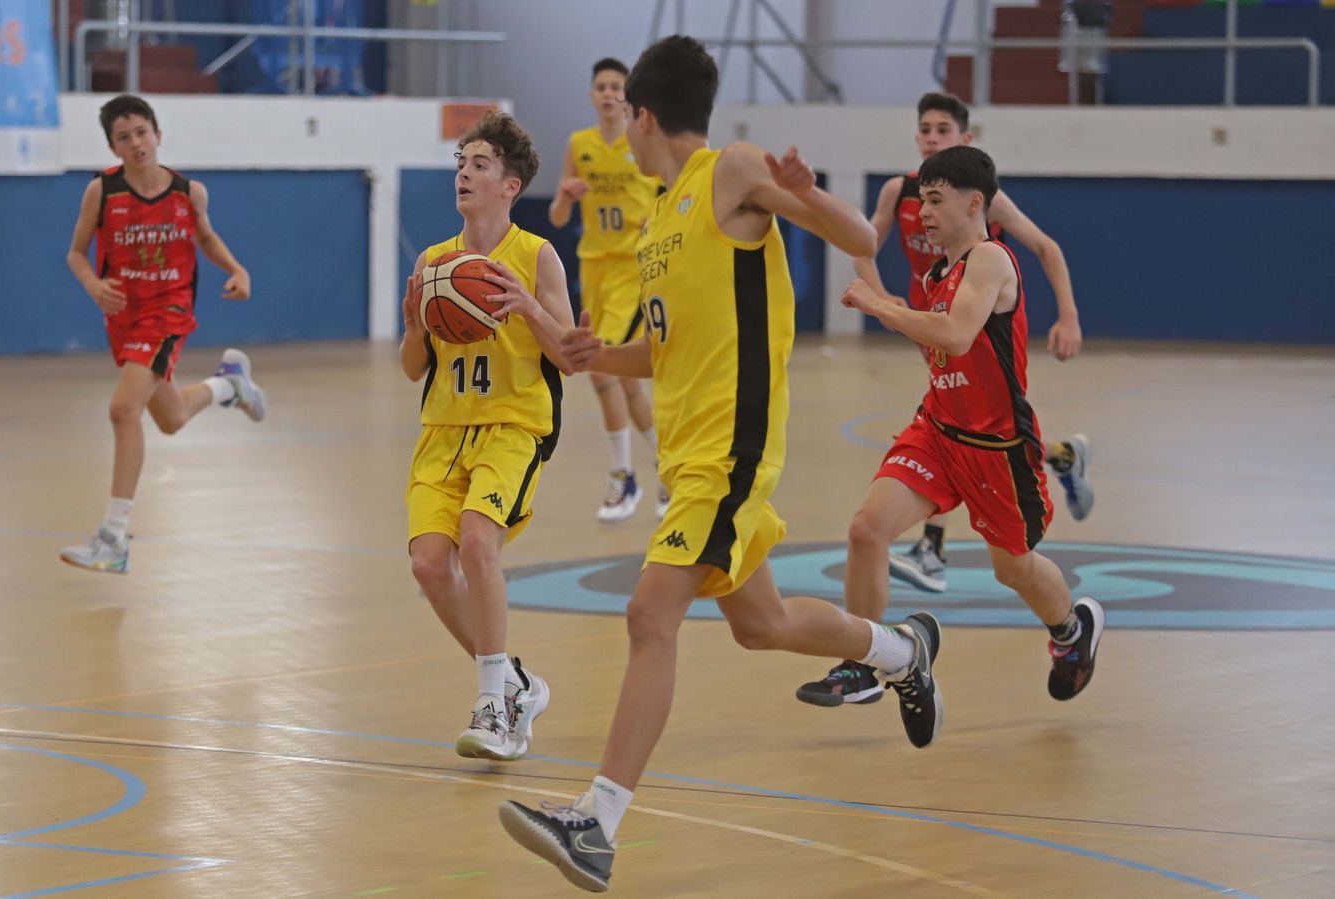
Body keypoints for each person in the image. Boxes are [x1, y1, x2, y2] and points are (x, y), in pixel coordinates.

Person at [498, 38, 942, 893]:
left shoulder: (729, 170)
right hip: (688, 455)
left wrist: (809, 196)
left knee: (648, 615)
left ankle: (598, 819)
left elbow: (857, 235)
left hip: (732, 454)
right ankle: (900, 649)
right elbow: (666, 351)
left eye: (625, 114)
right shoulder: (663, 219)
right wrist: (592, 354)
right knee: (761, 624)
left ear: (643, 117)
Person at [812, 146, 1105, 715]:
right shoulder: (940, 272)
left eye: (936, 199)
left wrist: (879, 307)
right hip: (939, 431)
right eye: (921, 198)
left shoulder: (991, 258)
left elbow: (955, 335)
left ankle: (1072, 632)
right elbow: (941, 346)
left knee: (1012, 567)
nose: (923, 211)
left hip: (997, 446)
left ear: (975, 203)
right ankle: (869, 659)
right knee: (867, 531)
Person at [857, 91, 1092, 598]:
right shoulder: (901, 194)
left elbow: (1045, 247)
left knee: (977, 417)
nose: (932, 137)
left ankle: (935, 547)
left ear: (963, 138)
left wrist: (1068, 314)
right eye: (925, 129)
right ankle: (1060, 456)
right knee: (954, 416)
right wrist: (880, 294)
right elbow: (860, 247)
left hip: (962, 319)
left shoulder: (982, 214)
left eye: (944, 130)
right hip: (932, 317)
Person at [400, 111, 574, 761]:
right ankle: (517, 682)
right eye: (461, 163)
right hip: (444, 428)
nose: (465, 174)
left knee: (478, 542)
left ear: (511, 184)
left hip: (515, 424)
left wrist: (529, 305)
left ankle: (493, 706)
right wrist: (415, 324)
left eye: (480, 164)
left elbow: (571, 353)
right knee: (426, 564)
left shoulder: (537, 255)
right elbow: (414, 367)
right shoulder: (434, 261)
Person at [60, 94, 265, 575]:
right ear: (113, 147)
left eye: (141, 132)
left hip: (167, 312)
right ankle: (230, 385)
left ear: (158, 134)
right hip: (123, 316)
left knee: (122, 409)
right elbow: (75, 253)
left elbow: (206, 237)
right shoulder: (101, 193)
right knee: (170, 417)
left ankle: (113, 537)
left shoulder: (188, 192)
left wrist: (237, 269)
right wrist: (93, 285)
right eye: (123, 137)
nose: (136, 144)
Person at [549, 58, 667, 522]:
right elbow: (558, 218)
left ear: (628, 95)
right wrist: (564, 198)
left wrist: (653, 222)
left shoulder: (644, 141)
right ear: (592, 94)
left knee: (599, 365)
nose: (609, 93)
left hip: (632, 269)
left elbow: (675, 198)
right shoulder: (580, 144)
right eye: (601, 86)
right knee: (627, 382)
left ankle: (623, 477)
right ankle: (668, 467)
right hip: (592, 269)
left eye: (617, 86)